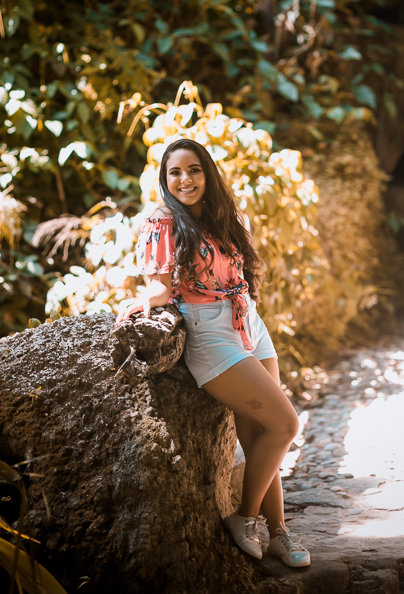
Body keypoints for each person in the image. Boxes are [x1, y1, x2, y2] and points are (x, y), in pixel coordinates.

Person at [116, 137, 310, 568]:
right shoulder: (163, 220)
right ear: (165, 179)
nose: (185, 179)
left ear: (207, 172)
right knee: (286, 423)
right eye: (175, 172)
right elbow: (161, 287)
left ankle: (278, 532)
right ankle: (245, 517)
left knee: (261, 434)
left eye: (194, 170)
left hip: (249, 324)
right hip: (209, 334)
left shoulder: (222, 215)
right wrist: (145, 302)